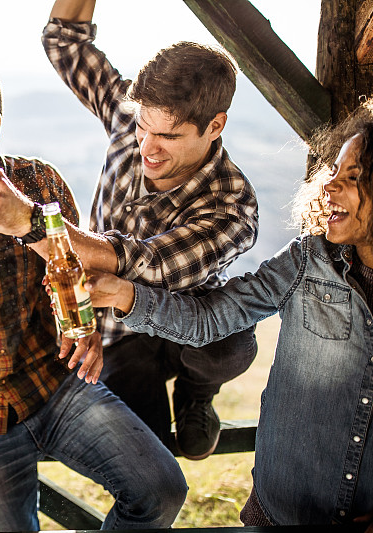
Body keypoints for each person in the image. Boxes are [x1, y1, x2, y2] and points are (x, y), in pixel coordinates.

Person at [0, 56, 187, 532]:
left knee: (160, 491)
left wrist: (87, 329)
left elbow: (77, 273)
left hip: (57, 386)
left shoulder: (40, 183)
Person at [84, 99, 373, 528]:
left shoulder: (231, 203)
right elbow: (212, 319)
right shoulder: (307, 259)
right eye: (333, 172)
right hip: (282, 514)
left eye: (352, 178)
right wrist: (127, 295)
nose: (329, 186)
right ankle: (194, 401)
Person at [41, 0, 260, 460]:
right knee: (153, 463)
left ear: (215, 126)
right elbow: (63, 40)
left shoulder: (233, 203)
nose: (149, 149)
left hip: (188, 328)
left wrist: (33, 224)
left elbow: (151, 262)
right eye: (143, 127)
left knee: (233, 342)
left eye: (170, 136)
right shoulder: (129, 119)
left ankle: (196, 395)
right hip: (117, 330)